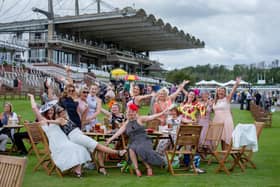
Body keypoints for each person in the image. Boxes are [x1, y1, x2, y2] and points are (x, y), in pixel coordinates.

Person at [50, 105, 126, 176]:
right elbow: (54, 121)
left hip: (79, 134)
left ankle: (101, 168)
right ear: (57, 114)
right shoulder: (60, 119)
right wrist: (47, 121)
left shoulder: (66, 118)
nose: (63, 112)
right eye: (60, 111)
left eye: (64, 110)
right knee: (98, 145)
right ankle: (118, 152)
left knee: (98, 147)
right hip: (75, 136)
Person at [28, 94, 91, 177]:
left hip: (64, 140)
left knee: (80, 147)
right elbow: (34, 108)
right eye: (49, 110)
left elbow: (63, 113)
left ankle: (77, 170)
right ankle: (77, 172)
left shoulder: (56, 119)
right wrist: (32, 97)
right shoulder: (43, 120)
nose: (51, 111)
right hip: (56, 143)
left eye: (52, 110)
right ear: (45, 112)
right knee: (72, 148)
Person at [106, 103, 168, 177]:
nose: (130, 113)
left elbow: (152, 117)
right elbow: (119, 132)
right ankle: (136, 169)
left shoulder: (140, 119)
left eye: (132, 111)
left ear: (136, 112)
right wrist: (110, 139)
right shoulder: (126, 123)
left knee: (139, 149)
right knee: (131, 148)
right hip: (133, 141)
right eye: (129, 112)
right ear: (126, 113)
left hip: (144, 140)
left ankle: (148, 167)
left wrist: (162, 112)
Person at [212, 77, 241, 150]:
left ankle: (225, 154)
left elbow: (233, 91)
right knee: (219, 138)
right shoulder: (215, 101)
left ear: (225, 93)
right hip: (217, 121)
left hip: (226, 121)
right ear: (217, 92)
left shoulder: (227, 99)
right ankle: (222, 154)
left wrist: (236, 84)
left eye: (222, 91)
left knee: (226, 138)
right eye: (219, 91)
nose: (221, 92)